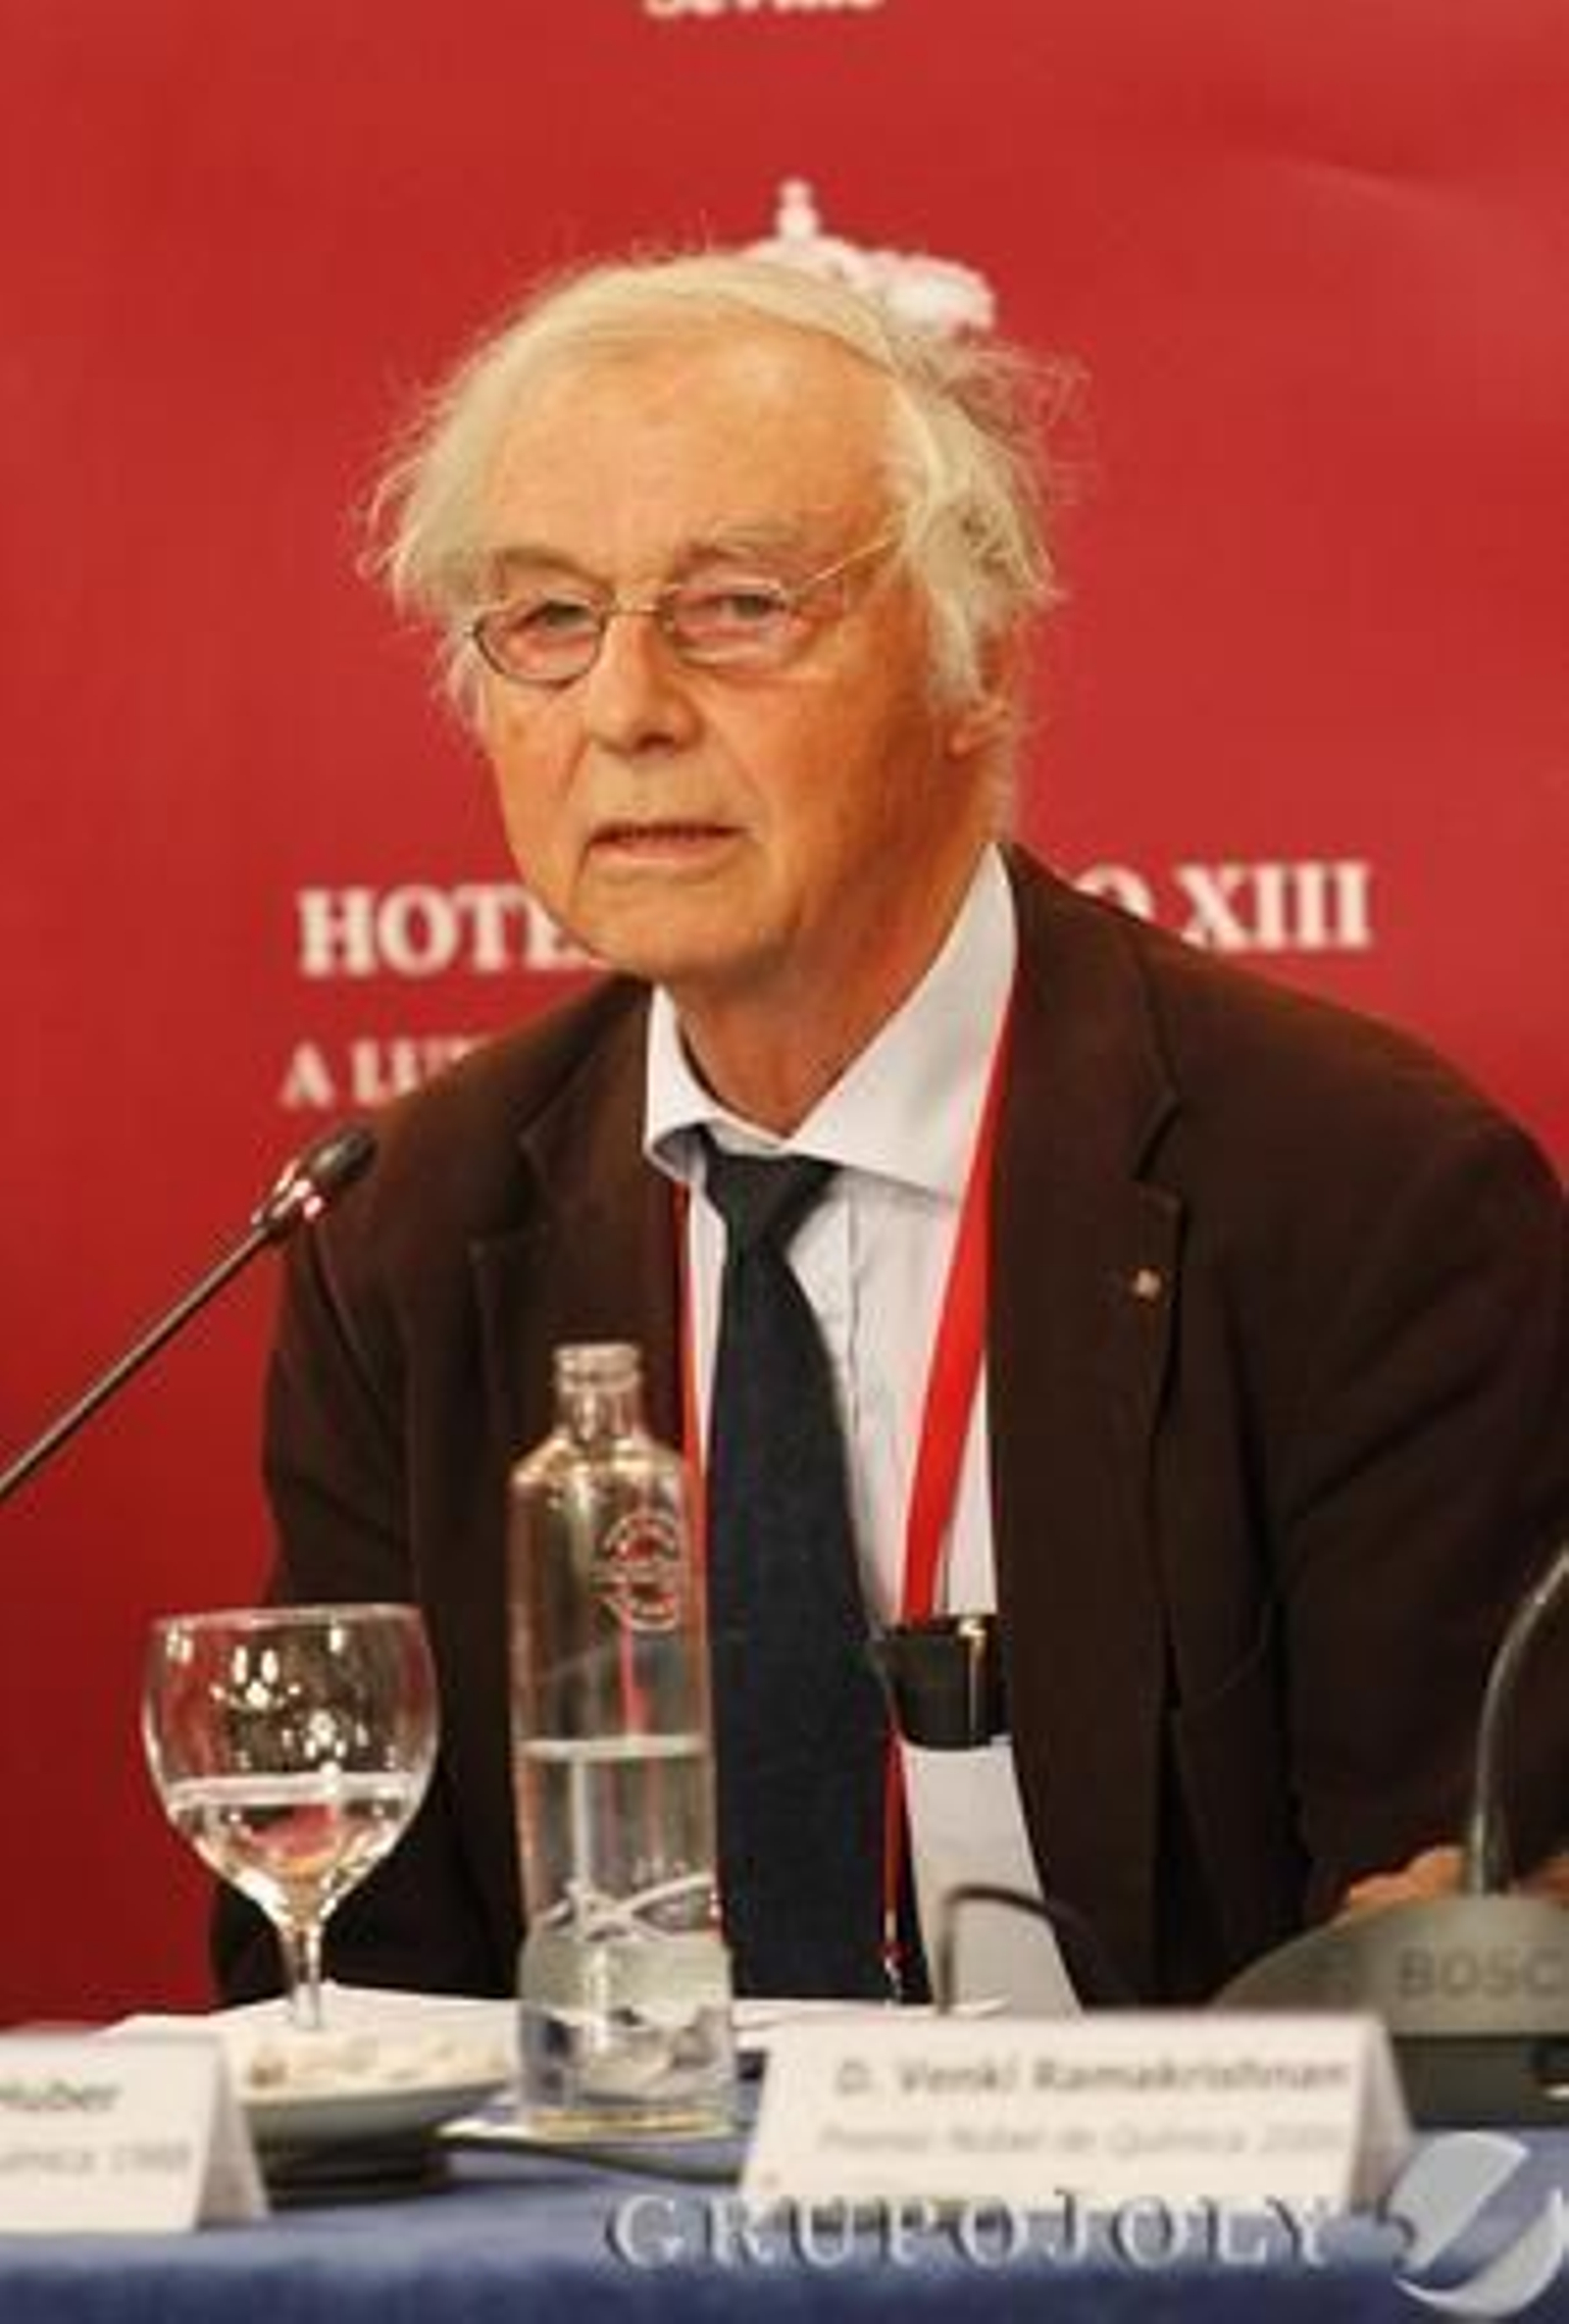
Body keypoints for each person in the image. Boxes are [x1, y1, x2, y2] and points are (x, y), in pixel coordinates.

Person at [217, 253, 1568, 2009]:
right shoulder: (408, 1235)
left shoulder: (1359, 1200)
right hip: (586, 2184)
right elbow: (341, 1986)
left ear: (973, 661)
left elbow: (1453, 1959)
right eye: (548, 619)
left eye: (738, 605)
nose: (625, 710)